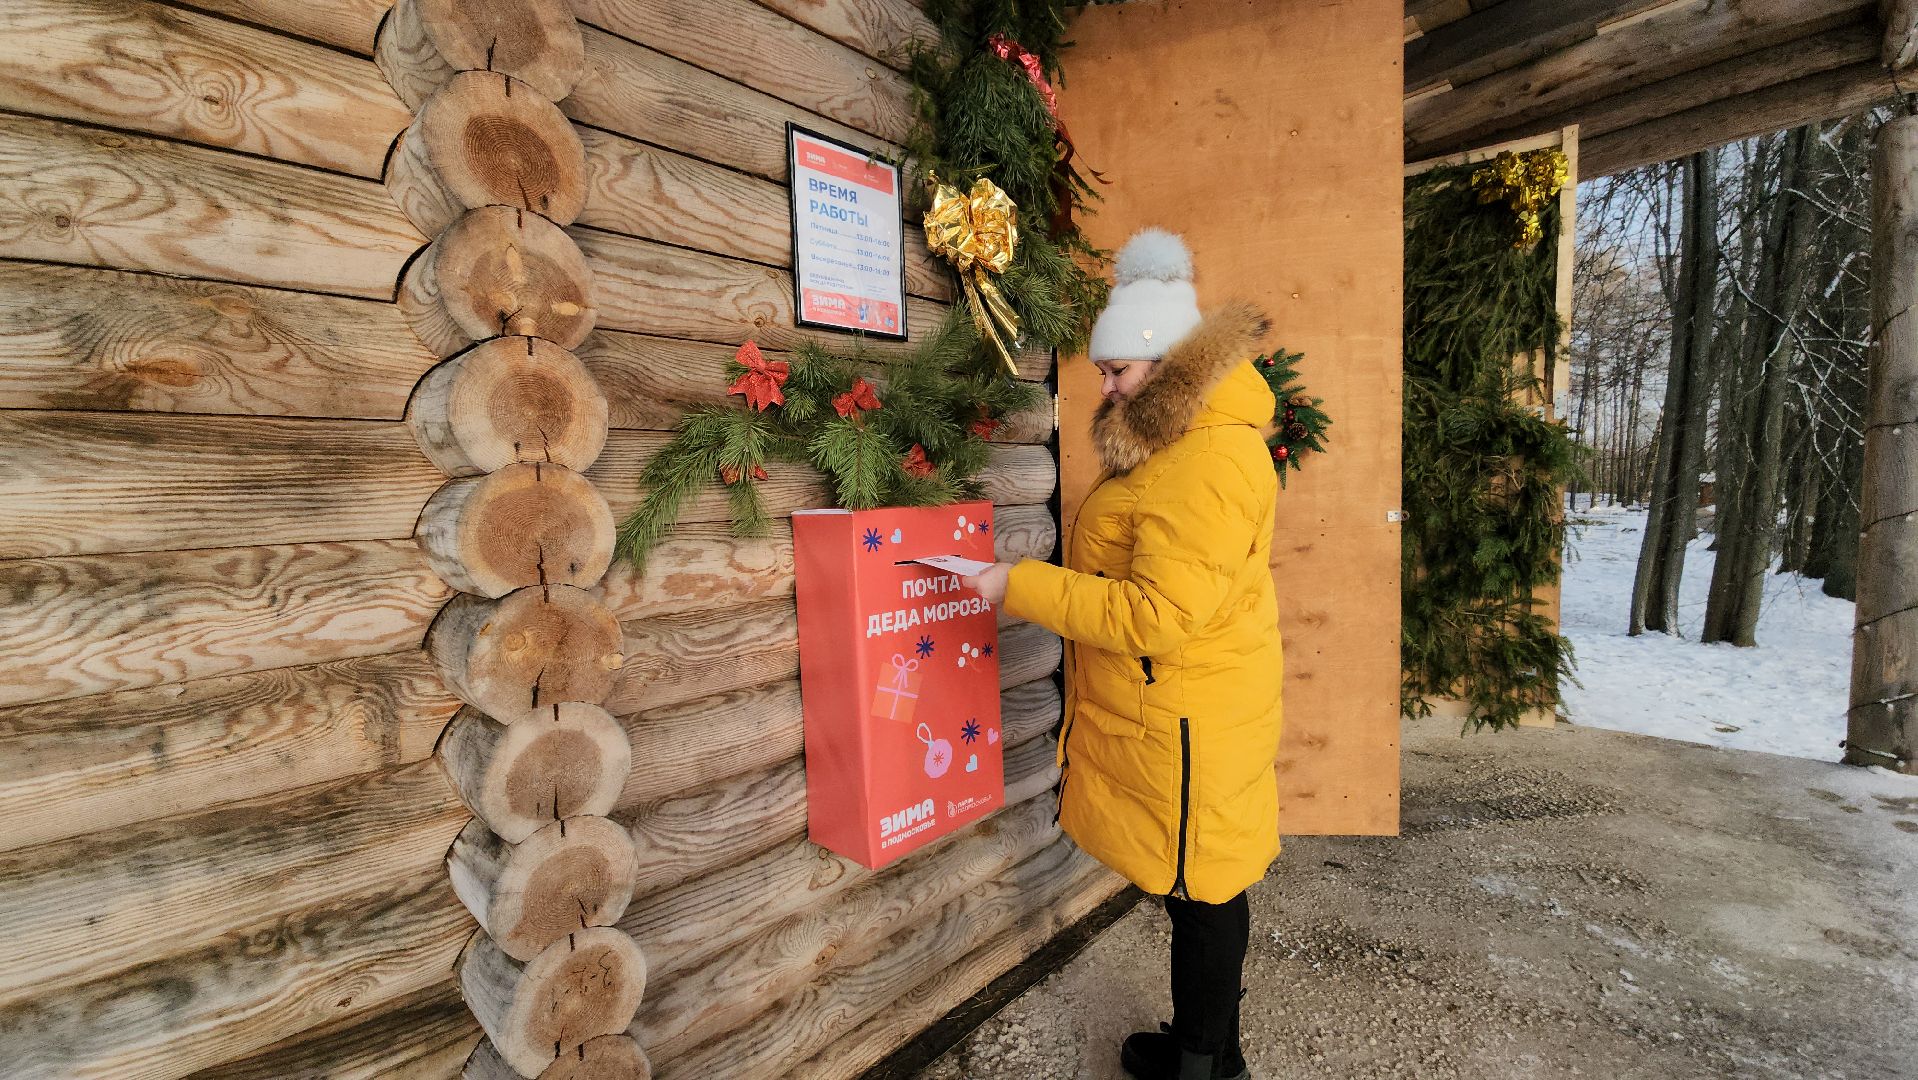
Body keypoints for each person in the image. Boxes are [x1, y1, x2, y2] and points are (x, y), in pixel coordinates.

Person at [962, 228, 1284, 1080]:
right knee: (1201, 892)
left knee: (1203, 895)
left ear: (1169, 365)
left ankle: (1203, 1066)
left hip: (1188, 716)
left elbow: (1157, 614)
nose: (1103, 388)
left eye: (1117, 372)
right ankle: (1212, 1053)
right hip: (1189, 706)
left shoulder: (1208, 459)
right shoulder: (1180, 442)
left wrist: (1015, 585)